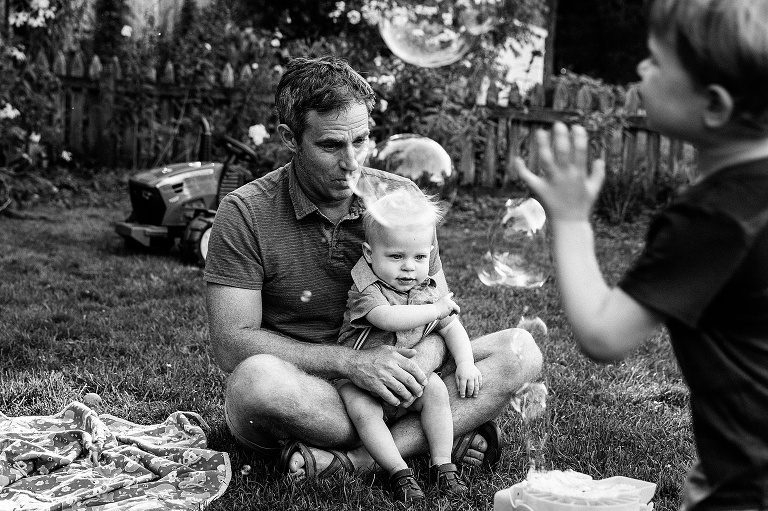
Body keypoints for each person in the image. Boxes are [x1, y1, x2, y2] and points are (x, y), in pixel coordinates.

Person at [204, 55, 543, 481]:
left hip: (402, 372)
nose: (351, 162)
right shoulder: (245, 212)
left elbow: (436, 308)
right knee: (252, 381)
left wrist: (411, 365)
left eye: (360, 140)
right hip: (311, 393)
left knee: (521, 350)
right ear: (290, 138)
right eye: (330, 145)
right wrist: (352, 364)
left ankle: (353, 463)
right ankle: (437, 434)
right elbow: (231, 344)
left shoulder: (401, 201)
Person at [514, 1, 768, 509]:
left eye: (655, 60)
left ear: (714, 105)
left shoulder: (712, 218)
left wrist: (569, 218)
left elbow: (604, 333)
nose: (640, 70)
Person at [335, 189, 479, 502]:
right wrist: (436, 310)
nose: (409, 267)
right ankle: (399, 472)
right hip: (362, 380)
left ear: (430, 253)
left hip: (409, 379)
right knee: (362, 411)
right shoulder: (366, 290)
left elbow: (452, 327)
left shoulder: (426, 290)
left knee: (437, 390)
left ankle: (443, 465)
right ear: (370, 254)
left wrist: (466, 362)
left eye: (419, 257)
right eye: (396, 256)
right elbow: (388, 318)